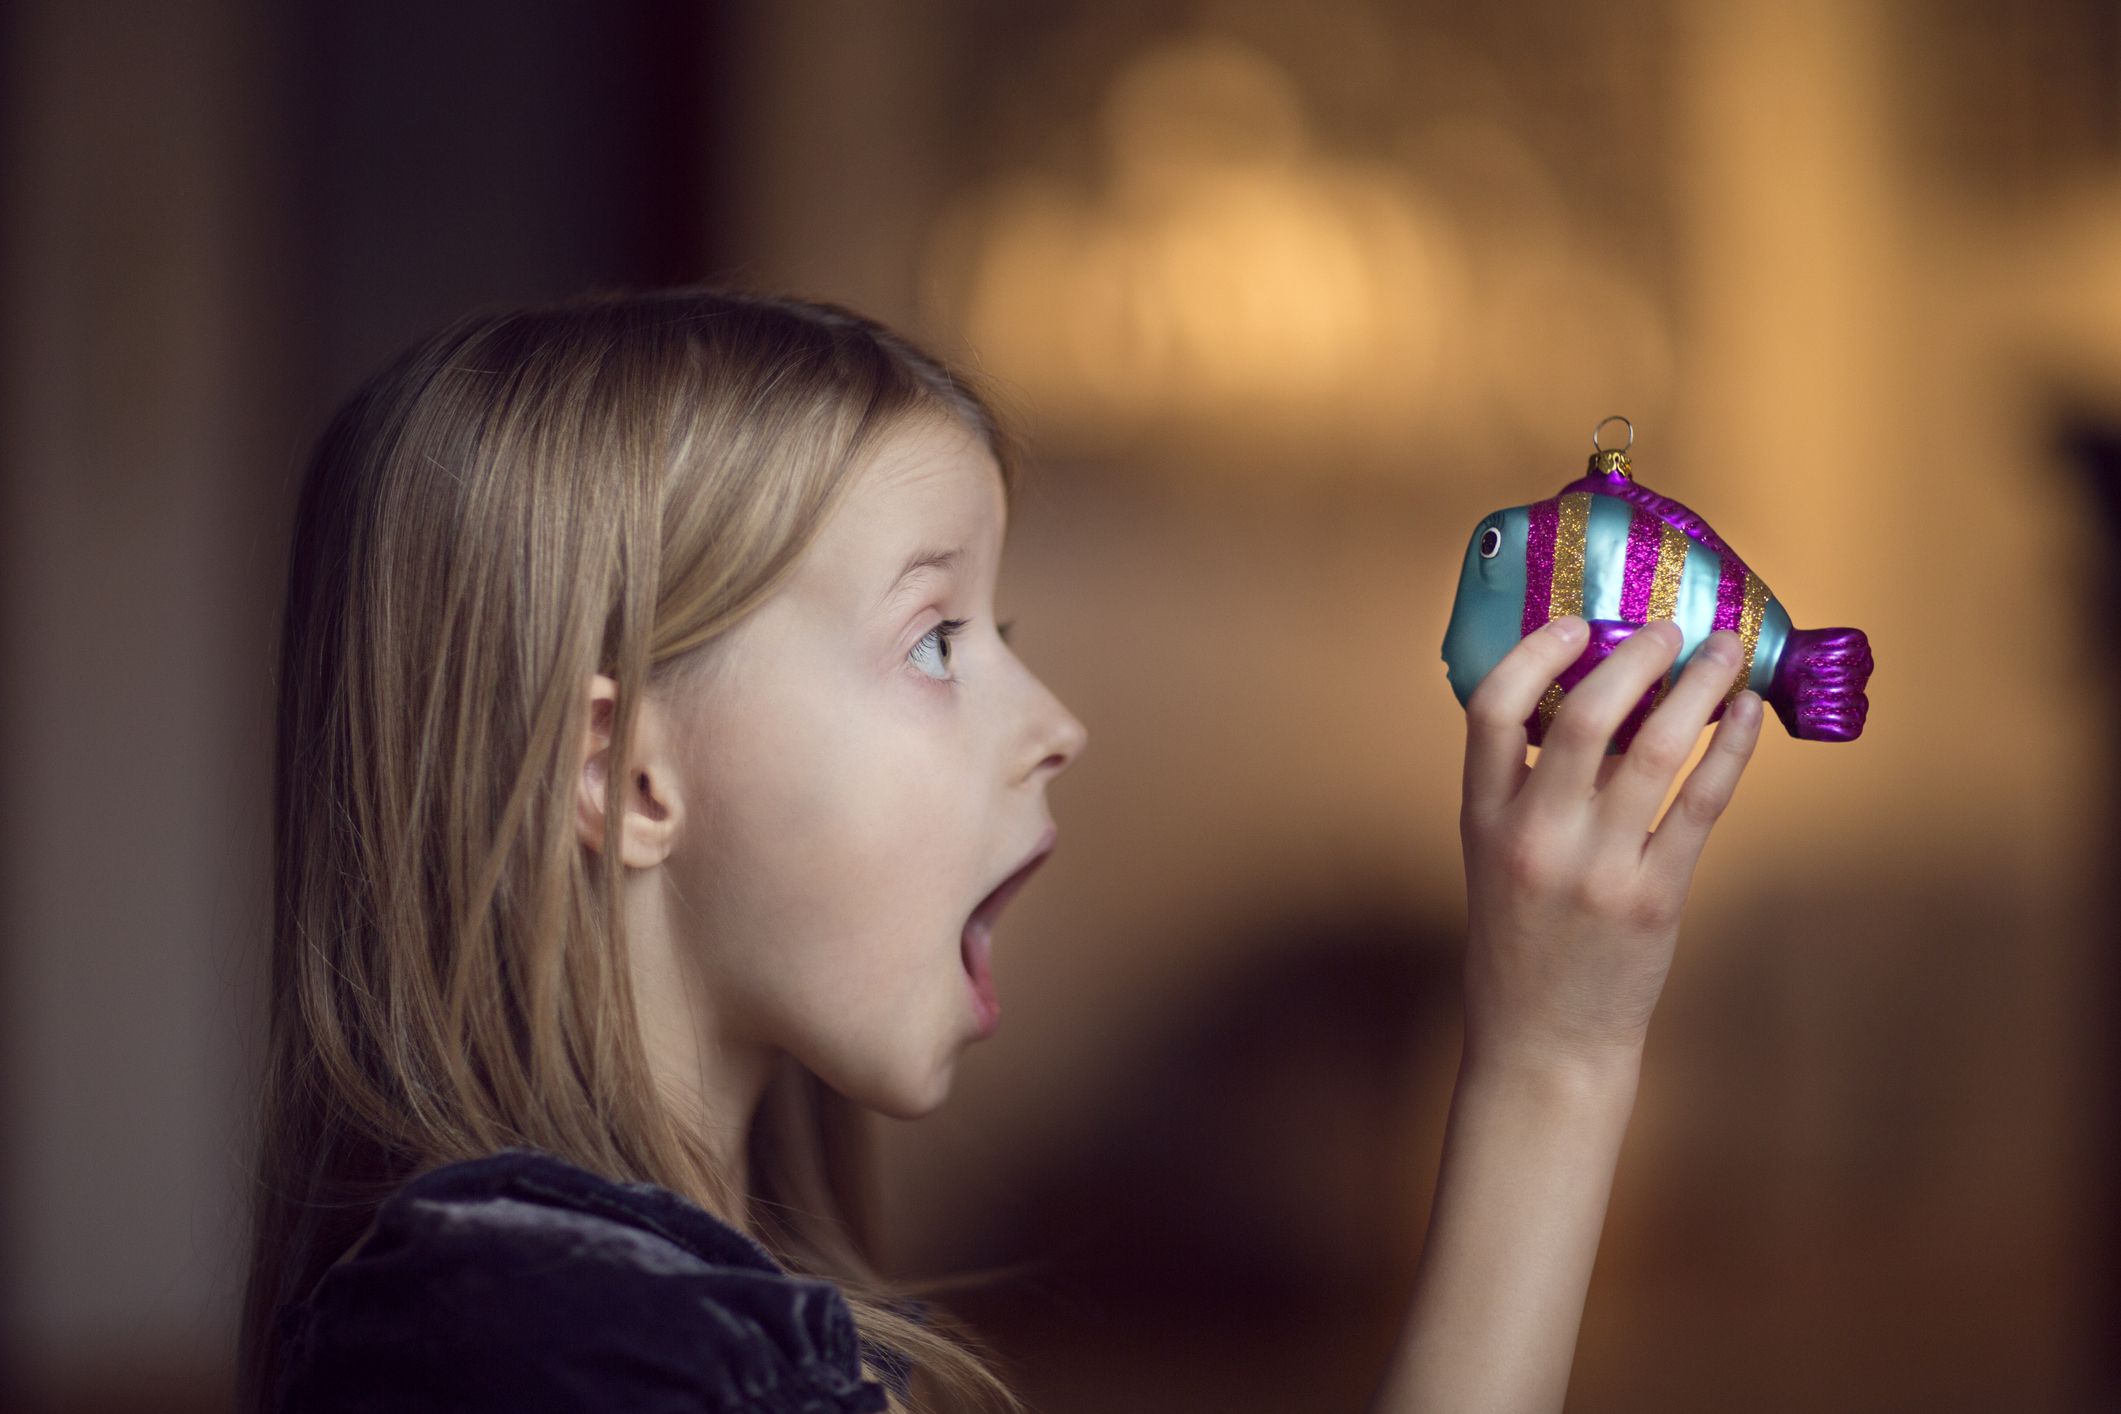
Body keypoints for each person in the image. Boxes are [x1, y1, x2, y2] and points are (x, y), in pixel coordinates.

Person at [238, 284, 1763, 1414]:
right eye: (936, 638)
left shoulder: (628, 1312)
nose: (1055, 722)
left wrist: (1554, 1056)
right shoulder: (540, 1345)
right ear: (620, 770)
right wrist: (1551, 1064)